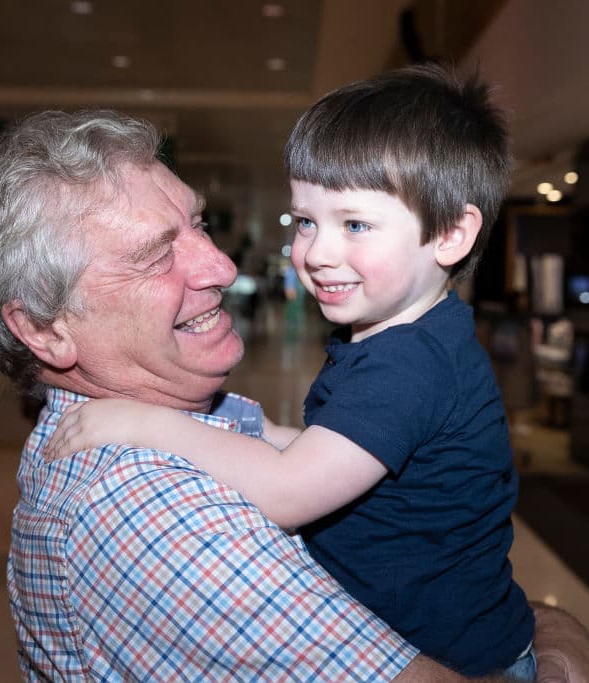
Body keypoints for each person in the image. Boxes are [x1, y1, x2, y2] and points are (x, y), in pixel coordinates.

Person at [0, 107, 589, 682]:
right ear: (45, 328)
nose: (222, 266)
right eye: (155, 253)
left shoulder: (382, 363)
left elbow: (291, 457)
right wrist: (558, 640)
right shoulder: (147, 512)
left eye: (197, 224)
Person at [47, 64, 534, 679]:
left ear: (450, 234)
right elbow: (335, 449)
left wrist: (146, 423)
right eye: (307, 221)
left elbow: (288, 492)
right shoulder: (401, 340)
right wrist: (253, 432)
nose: (318, 252)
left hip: (461, 663)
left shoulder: (410, 365)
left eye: (354, 224)